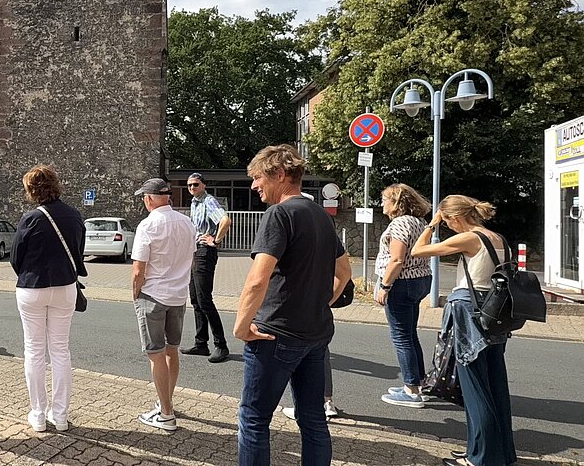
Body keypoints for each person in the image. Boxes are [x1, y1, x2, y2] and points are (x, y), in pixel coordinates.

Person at [234, 145, 351, 466]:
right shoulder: (320, 216)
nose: (254, 186)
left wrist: (242, 326)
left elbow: (258, 279)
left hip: (275, 334)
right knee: (313, 419)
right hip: (316, 335)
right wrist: (319, 302)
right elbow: (345, 272)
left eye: (258, 178)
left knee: (254, 418)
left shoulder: (280, 214)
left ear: (280, 175)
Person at [410, 196, 515, 466]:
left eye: (446, 221)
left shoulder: (470, 237)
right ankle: (498, 452)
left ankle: (481, 458)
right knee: (495, 385)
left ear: (454, 218)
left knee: (475, 387)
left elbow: (417, 251)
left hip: (470, 313)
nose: (447, 226)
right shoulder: (498, 237)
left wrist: (431, 225)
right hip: (495, 315)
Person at [9, 165, 87, 432]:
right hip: (65, 286)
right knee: (60, 351)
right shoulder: (74, 215)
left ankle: (39, 414)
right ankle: (61, 415)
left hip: (32, 287)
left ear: (31, 190)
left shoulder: (30, 218)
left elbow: (16, 258)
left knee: (34, 350)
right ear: (56, 184)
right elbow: (79, 251)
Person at [131, 177, 197, 432]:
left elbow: (138, 270)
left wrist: (135, 293)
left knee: (155, 353)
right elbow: (190, 259)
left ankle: (166, 414)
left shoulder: (148, 225)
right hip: (179, 296)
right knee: (172, 350)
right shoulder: (186, 222)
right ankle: (165, 401)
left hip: (154, 295)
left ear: (149, 199)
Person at [375, 183, 433, 408]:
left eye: (385, 199)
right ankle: (419, 384)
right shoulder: (420, 223)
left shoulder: (400, 223)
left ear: (396, 203)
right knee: (410, 333)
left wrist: (385, 286)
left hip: (401, 283)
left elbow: (397, 259)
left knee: (401, 336)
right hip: (420, 280)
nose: (382, 203)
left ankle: (411, 391)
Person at [181, 172, 233, 363]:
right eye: (189, 186)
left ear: (203, 185)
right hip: (195, 252)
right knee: (195, 299)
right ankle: (201, 344)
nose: (192, 188)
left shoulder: (208, 201)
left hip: (205, 252)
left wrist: (216, 240)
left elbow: (225, 220)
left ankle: (221, 345)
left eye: (195, 185)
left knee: (205, 300)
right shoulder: (195, 202)